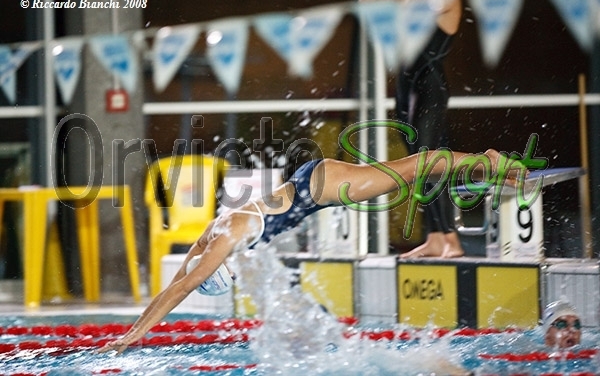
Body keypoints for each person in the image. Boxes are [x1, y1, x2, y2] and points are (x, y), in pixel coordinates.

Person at [99, 147, 524, 355]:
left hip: (316, 188)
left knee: (412, 168)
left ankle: (490, 162)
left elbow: (182, 289)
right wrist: (134, 329)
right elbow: (180, 280)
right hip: (309, 183)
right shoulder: (212, 234)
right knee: (409, 172)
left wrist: (131, 337)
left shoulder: (224, 242)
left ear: (218, 270)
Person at [360, 0, 464, 258]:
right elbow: (366, 4)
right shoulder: (411, 2)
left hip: (430, 89)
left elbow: (412, 6)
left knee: (427, 161)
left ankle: (451, 240)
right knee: (417, 166)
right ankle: (434, 237)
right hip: (406, 91)